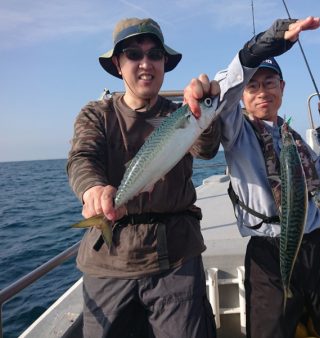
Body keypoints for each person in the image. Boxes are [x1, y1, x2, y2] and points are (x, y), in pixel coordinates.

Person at [185, 17, 320, 337]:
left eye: (269, 83)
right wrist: (258, 49)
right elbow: (225, 89)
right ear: (243, 94)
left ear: (282, 88)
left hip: (316, 244)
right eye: (252, 85)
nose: (261, 92)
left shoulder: (291, 134)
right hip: (268, 251)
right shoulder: (236, 129)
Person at [67, 18, 220, 338]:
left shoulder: (182, 112)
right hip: (109, 264)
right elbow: (82, 158)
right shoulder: (96, 114)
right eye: (134, 54)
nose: (145, 63)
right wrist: (93, 189)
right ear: (118, 64)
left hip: (175, 258)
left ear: (165, 62)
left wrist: (206, 105)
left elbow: (205, 149)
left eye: (155, 54)